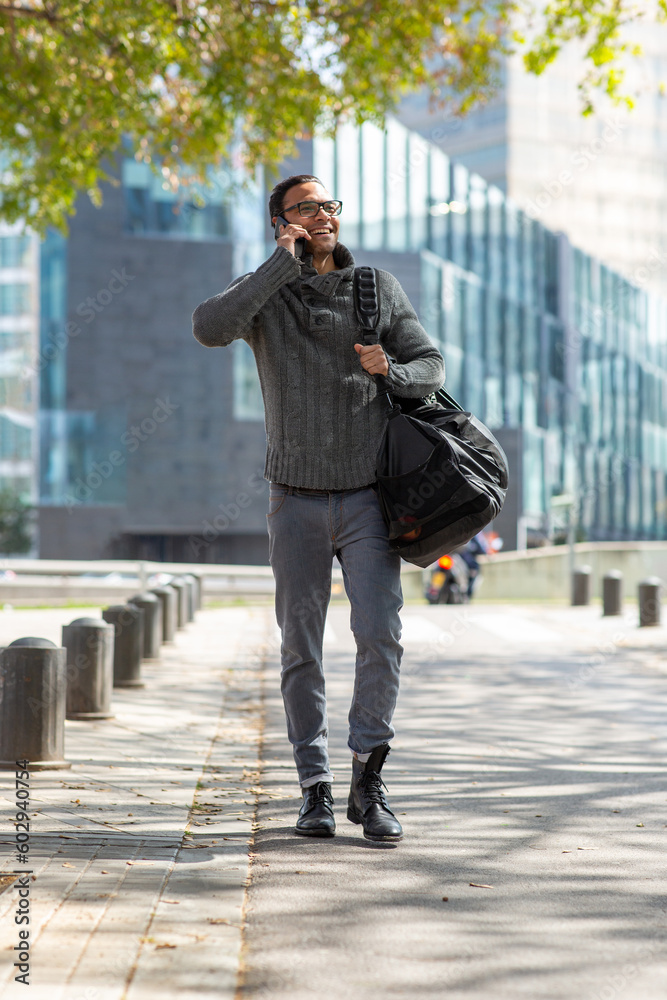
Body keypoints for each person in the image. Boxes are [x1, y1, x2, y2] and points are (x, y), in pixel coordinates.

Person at [192, 174, 445, 842]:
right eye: (305, 207)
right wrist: (279, 262)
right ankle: (314, 790)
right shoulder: (265, 295)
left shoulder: (375, 288)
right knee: (299, 649)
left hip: (367, 499)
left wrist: (390, 368)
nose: (321, 214)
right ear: (281, 221)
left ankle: (369, 777)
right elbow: (208, 328)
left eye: (327, 204)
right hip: (294, 500)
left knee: (380, 635)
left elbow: (431, 365)